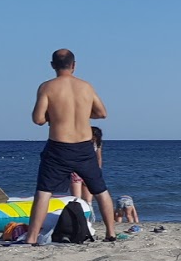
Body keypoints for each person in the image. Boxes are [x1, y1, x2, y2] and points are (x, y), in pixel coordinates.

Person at [27, 49, 117, 244]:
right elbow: (102, 113)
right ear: (74, 65)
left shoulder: (47, 87)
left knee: (44, 191)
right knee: (100, 189)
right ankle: (111, 233)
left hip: (59, 146)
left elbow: (38, 119)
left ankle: (32, 237)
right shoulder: (86, 87)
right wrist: (84, 114)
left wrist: (55, 115)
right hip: (84, 146)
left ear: (52, 65)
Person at [70, 126, 104, 205]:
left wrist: (98, 170)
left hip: (88, 171)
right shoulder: (82, 142)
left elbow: (99, 157)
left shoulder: (96, 144)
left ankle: (86, 217)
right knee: (77, 199)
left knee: (86, 200)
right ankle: (78, 215)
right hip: (80, 172)